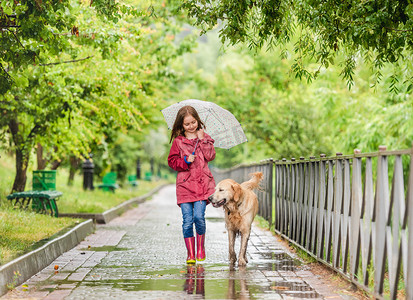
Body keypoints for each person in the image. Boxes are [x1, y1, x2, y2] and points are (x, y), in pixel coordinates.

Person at [168, 105, 216, 264]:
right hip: (185, 188)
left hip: (202, 186)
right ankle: (190, 253)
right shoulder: (178, 142)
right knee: (187, 221)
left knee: (199, 217)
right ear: (181, 125)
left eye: (193, 122)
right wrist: (185, 161)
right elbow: (172, 162)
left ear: (197, 120)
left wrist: (202, 140)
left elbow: (210, 156)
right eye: (187, 124)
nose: (191, 126)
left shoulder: (205, 137)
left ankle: (200, 248)